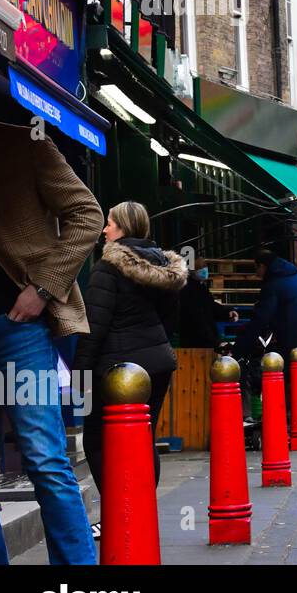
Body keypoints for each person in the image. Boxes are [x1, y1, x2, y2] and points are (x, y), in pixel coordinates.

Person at [0, 122, 103, 565]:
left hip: (17, 330)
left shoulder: (22, 140)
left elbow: (87, 215)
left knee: (45, 460)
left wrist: (43, 287)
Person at [76, 202, 185, 537]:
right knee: (142, 438)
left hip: (117, 370)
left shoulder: (107, 267)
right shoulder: (166, 268)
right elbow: (167, 319)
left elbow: (94, 324)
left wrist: (81, 376)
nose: (104, 230)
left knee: (96, 440)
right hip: (158, 362)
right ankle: (140, 508)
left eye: (109, 223)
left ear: (122, 227)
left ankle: (118, 512)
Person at [232, 250, 297, 448]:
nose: (257, 275)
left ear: (263, 266)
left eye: (257, 269)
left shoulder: (274, 284)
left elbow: (260, 318)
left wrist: (238, 349)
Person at [177, 266, 239, 348]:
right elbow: (196, 320)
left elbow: (211, 306)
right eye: (200, 267)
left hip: (207, 341)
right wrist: (214, 342)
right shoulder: (186, 290)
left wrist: (227, 312)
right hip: (195, 344)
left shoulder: (201, 287)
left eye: (205, 266)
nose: (204, 270)